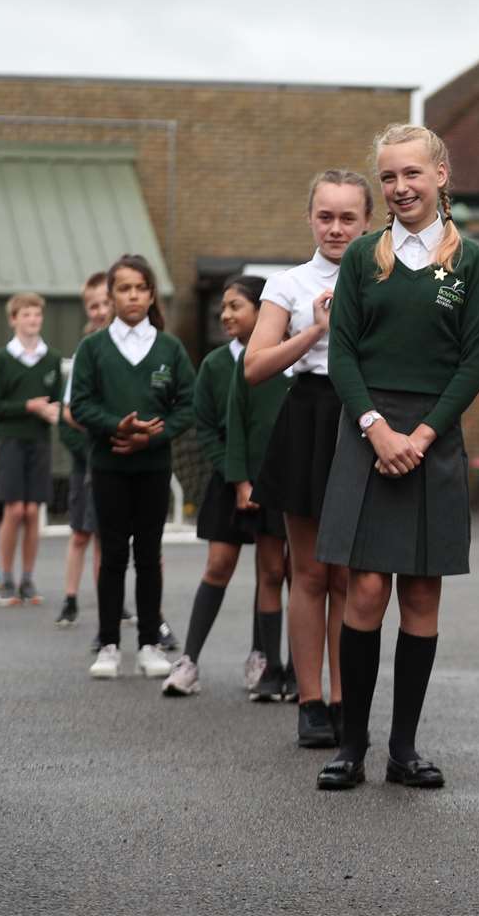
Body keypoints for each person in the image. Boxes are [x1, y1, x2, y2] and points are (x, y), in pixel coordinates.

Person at [313, 124, 479, 792]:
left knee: (421, 593)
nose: (399, 188)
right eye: (388, 177)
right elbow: (342, 354)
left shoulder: (468, 261)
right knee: (363, 590)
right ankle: (350, 747)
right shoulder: (363, 257)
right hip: (368, 436)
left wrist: (421, 436)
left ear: (441, 175)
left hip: (433, 439)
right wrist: (377, 430)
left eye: (412, 174)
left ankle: (404, 749)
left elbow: (475, 364)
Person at [244, 170, 370, 747]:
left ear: (369, 221)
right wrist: (313, 333)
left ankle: (347, 700)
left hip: (364, 418)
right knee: (309, 572)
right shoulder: (287, 283)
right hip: (309, 415)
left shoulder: (386, 275)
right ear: (310, 217)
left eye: (348, 217)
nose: (336, 227)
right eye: (326, 215)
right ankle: (310, 701)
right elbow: (256, 366)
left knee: (350, 573)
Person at [70, 254, 196, 680]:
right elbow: (80, 404)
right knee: (111, 558)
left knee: (148, 555)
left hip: (154, 467)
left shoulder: (169, 348)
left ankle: (147, 643)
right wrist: (115, 427)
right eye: (124, 288)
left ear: (150, 293)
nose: (133, 296)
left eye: (140, 287)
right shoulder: (93, 348)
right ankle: (108, 643)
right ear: (110, 295)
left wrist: (153, 436)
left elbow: (188, 405)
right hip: (108, 466)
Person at [162, 275, 288, 697]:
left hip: (275, 484)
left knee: (272, 570)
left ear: (262, 310)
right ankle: (190, 660)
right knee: (218, 565)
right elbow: (206, 430)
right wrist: (235, 478)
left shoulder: (283, 359)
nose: (226, 314)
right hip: (229, 482)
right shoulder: (215, 365)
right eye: (223, 307)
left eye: (236, 306)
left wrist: (262, 480)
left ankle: (262, 660)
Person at [224, 304, 296, 703]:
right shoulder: (254, 361)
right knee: (270, 572)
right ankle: (270, 667)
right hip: (263, 485)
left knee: (303, 577)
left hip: (304, 484)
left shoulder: (315, 360)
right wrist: (240, 481)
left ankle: (300, 670)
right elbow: (236, 421)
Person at [0, 291, 63, 607]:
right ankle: (6, 579)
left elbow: (57, 402)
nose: (33, 320)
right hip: (11, 442)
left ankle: (28, 579)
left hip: (40, 442)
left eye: (37, 315)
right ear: (14, 319)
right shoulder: (1, 359)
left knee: (32, 512)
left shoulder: (53, 359)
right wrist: (28, 407)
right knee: (14, 510)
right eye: (26, 314)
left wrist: (53, 412)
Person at [55, 273, 112, 630]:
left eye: (106, 303)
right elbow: (69, 414)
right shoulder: (85, 353)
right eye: (94, 306)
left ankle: (110, 599)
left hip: (116, 457)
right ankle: (70, 598)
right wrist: (90, 444)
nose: (102, 311)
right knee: (81, 533)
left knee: (109, 537)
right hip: (88, 460)